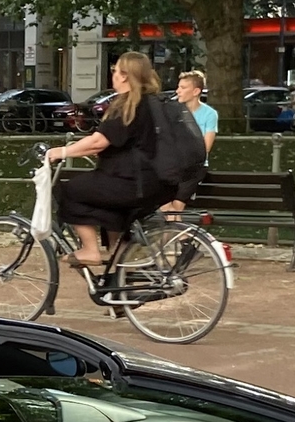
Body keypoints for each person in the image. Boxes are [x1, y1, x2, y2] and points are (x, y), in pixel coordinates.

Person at [45, 51, 203, 270]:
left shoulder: (128, 105)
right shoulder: (154, 103)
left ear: (125, 76)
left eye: (115, 70)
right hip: (158, 183)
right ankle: (119, 266)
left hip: (133, 183)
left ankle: (90, 250)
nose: (114, 75)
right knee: (107, 201)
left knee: (71, 191)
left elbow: (98, 142)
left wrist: (60, 152)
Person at [173, 67, 218, 156]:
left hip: (197, 165)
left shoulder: (210, 114)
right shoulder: (173, 112)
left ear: (196, 91)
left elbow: (205, 148)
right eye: (178, 87)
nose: (177, 91)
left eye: (183, 88)